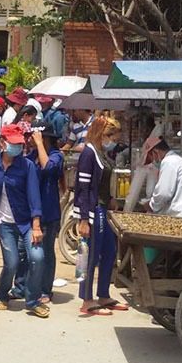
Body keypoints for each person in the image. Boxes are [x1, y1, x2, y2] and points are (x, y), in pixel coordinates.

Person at [0, 124, 47, 318]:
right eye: (13, 144)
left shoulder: (27, 165)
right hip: (4, 222)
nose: (17, 148)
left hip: (26, 222)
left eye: (19, 144)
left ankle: (32, 300)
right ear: (2, 143)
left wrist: (36, 225)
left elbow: (34, 196)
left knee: (37, 258)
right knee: (12, 263)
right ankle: (2, 294)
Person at [75, 115, 128, 316]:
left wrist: (112, 198)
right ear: (100, 133)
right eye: (110, 136)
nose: (112, 141)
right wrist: (83, 219)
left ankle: (103, 294)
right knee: (91, 255)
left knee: (109, 252)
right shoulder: (88, 154)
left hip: (105, 209)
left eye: (114, 137)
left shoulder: (101, 154)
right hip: (93, 211)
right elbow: (83, 188)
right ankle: (87, 299)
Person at [28, 119, 65, 303]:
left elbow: (48, 168)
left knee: (47, 253)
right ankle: (26, 286)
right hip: (31, 211)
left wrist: (41, 145)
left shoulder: (57, 155)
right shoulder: (30, 156)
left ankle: (45, 289)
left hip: (49, 212)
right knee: (31, 253)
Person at [144, 137, 182, 219]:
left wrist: (151, 205)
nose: (154, 162)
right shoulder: (176, 161)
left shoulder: (169, 162)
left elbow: (163, 193)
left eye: (153, 158)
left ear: (155, 152)